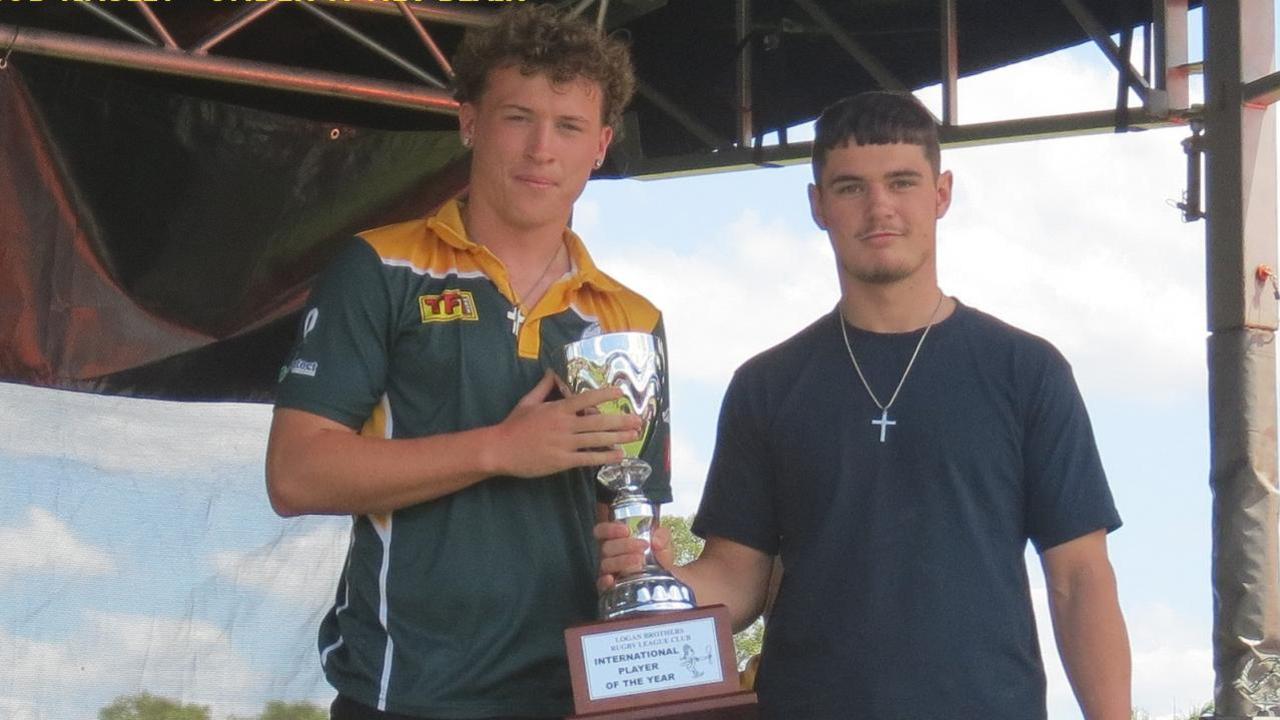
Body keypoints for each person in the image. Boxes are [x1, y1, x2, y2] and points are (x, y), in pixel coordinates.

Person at [596, 91, 1131, 719]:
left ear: (942, 193)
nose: (880, 207)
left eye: (902, 182)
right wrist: (659, 577)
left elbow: (1079, 580)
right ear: (818, 205)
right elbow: (737, 580)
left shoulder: (1026, 371)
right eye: (850, 188)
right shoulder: (766, 386)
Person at [266, 6, 671, 719]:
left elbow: (627, 508)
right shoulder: (381, 266)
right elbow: (296, 474)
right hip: (405, 695)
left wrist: (635, 555)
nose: (542, 148)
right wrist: (499, 449)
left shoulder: (631, 320)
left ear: (601, 145)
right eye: (519, 117)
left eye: (569, 126)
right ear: (469, 122)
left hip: (574, 698)